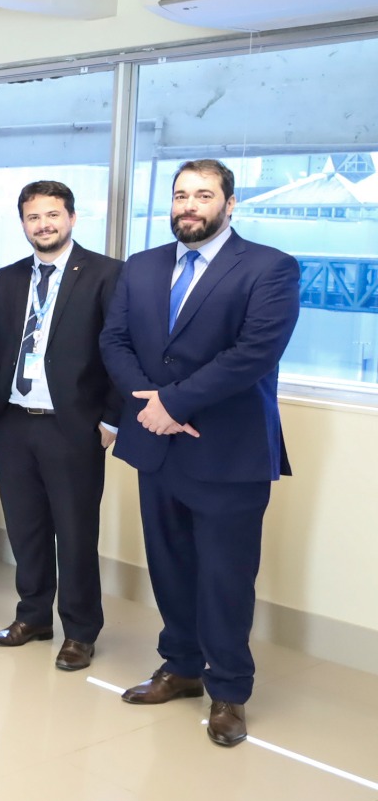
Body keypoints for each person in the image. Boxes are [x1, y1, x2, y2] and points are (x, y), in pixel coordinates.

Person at [100, 159, 299, 748]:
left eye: (204, 195)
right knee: (170, 565)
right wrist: (150, 406)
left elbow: (254, 353)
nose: (190, 204)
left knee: (225, 577)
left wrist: (174, 405)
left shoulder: (268, 267)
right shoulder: (143, 266)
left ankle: (229, 691)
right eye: (181, 194)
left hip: (227, 452)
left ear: (229, 204)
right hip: (155, 445)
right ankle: (181, 666)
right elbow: (114, 340)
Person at [0, 181, 123, 671]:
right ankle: (33, 615)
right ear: (23, 223)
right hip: (13, 422)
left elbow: (120, 353)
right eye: (33, 217)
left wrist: (111, 420)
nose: (43, 224)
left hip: (73, 425)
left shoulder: (106, 275)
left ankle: (80, 631)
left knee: (76, 533)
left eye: (53, 215)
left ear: (72, 218)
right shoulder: (7, 277)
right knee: (26, 529)